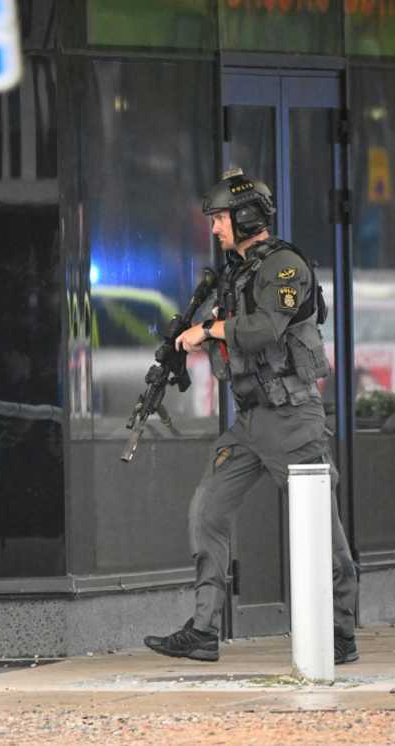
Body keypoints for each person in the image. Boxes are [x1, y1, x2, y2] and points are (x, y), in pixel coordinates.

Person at [143, 168, 359, 664]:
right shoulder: (235, 271)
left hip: (293, 419)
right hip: (251, 422)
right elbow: (235, 337)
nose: (214, 229)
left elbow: (264, 328)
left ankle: (340, 634)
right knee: (208, 509)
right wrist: (188, 344)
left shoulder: (285, 267)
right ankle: (203, 629)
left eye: (219, 219)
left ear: (245, 217)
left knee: (323, 532)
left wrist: (210, 330)